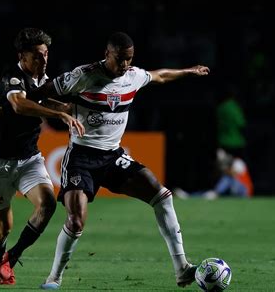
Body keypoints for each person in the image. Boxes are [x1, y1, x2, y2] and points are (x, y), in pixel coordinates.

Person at [30, 31, 210, 290]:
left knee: (162, 196)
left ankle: (182, 268)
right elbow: (39, 93)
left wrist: (188, 71)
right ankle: (54, 278)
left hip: (113, 156)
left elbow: (160, 76)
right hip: (81, 157)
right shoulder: (84, 76)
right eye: (120, 59)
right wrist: (61, 111)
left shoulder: (133, 76)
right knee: (76, 220)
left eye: (129, 59)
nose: (124, 65)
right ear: (107, 54)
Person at [0, 27, 85, 286]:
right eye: (36, 56)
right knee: (3, 228)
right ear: (22, 56)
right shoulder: (12, 76)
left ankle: (10, 259)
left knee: (47, 204)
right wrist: (61, 114)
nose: (43, 60)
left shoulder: (42, 79)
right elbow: (19, 104)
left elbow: (53, 103)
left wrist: (76, 106)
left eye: (45, 54)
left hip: (29, 159)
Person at [174, 148, 254, 200]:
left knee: (227, 178)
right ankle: (189, 196)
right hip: (232, 193)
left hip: (244, 192)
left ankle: (215, 193)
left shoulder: (238, 162)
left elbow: (234, 175)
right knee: (208, 193)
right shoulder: (226, 167)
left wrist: (224, 168)